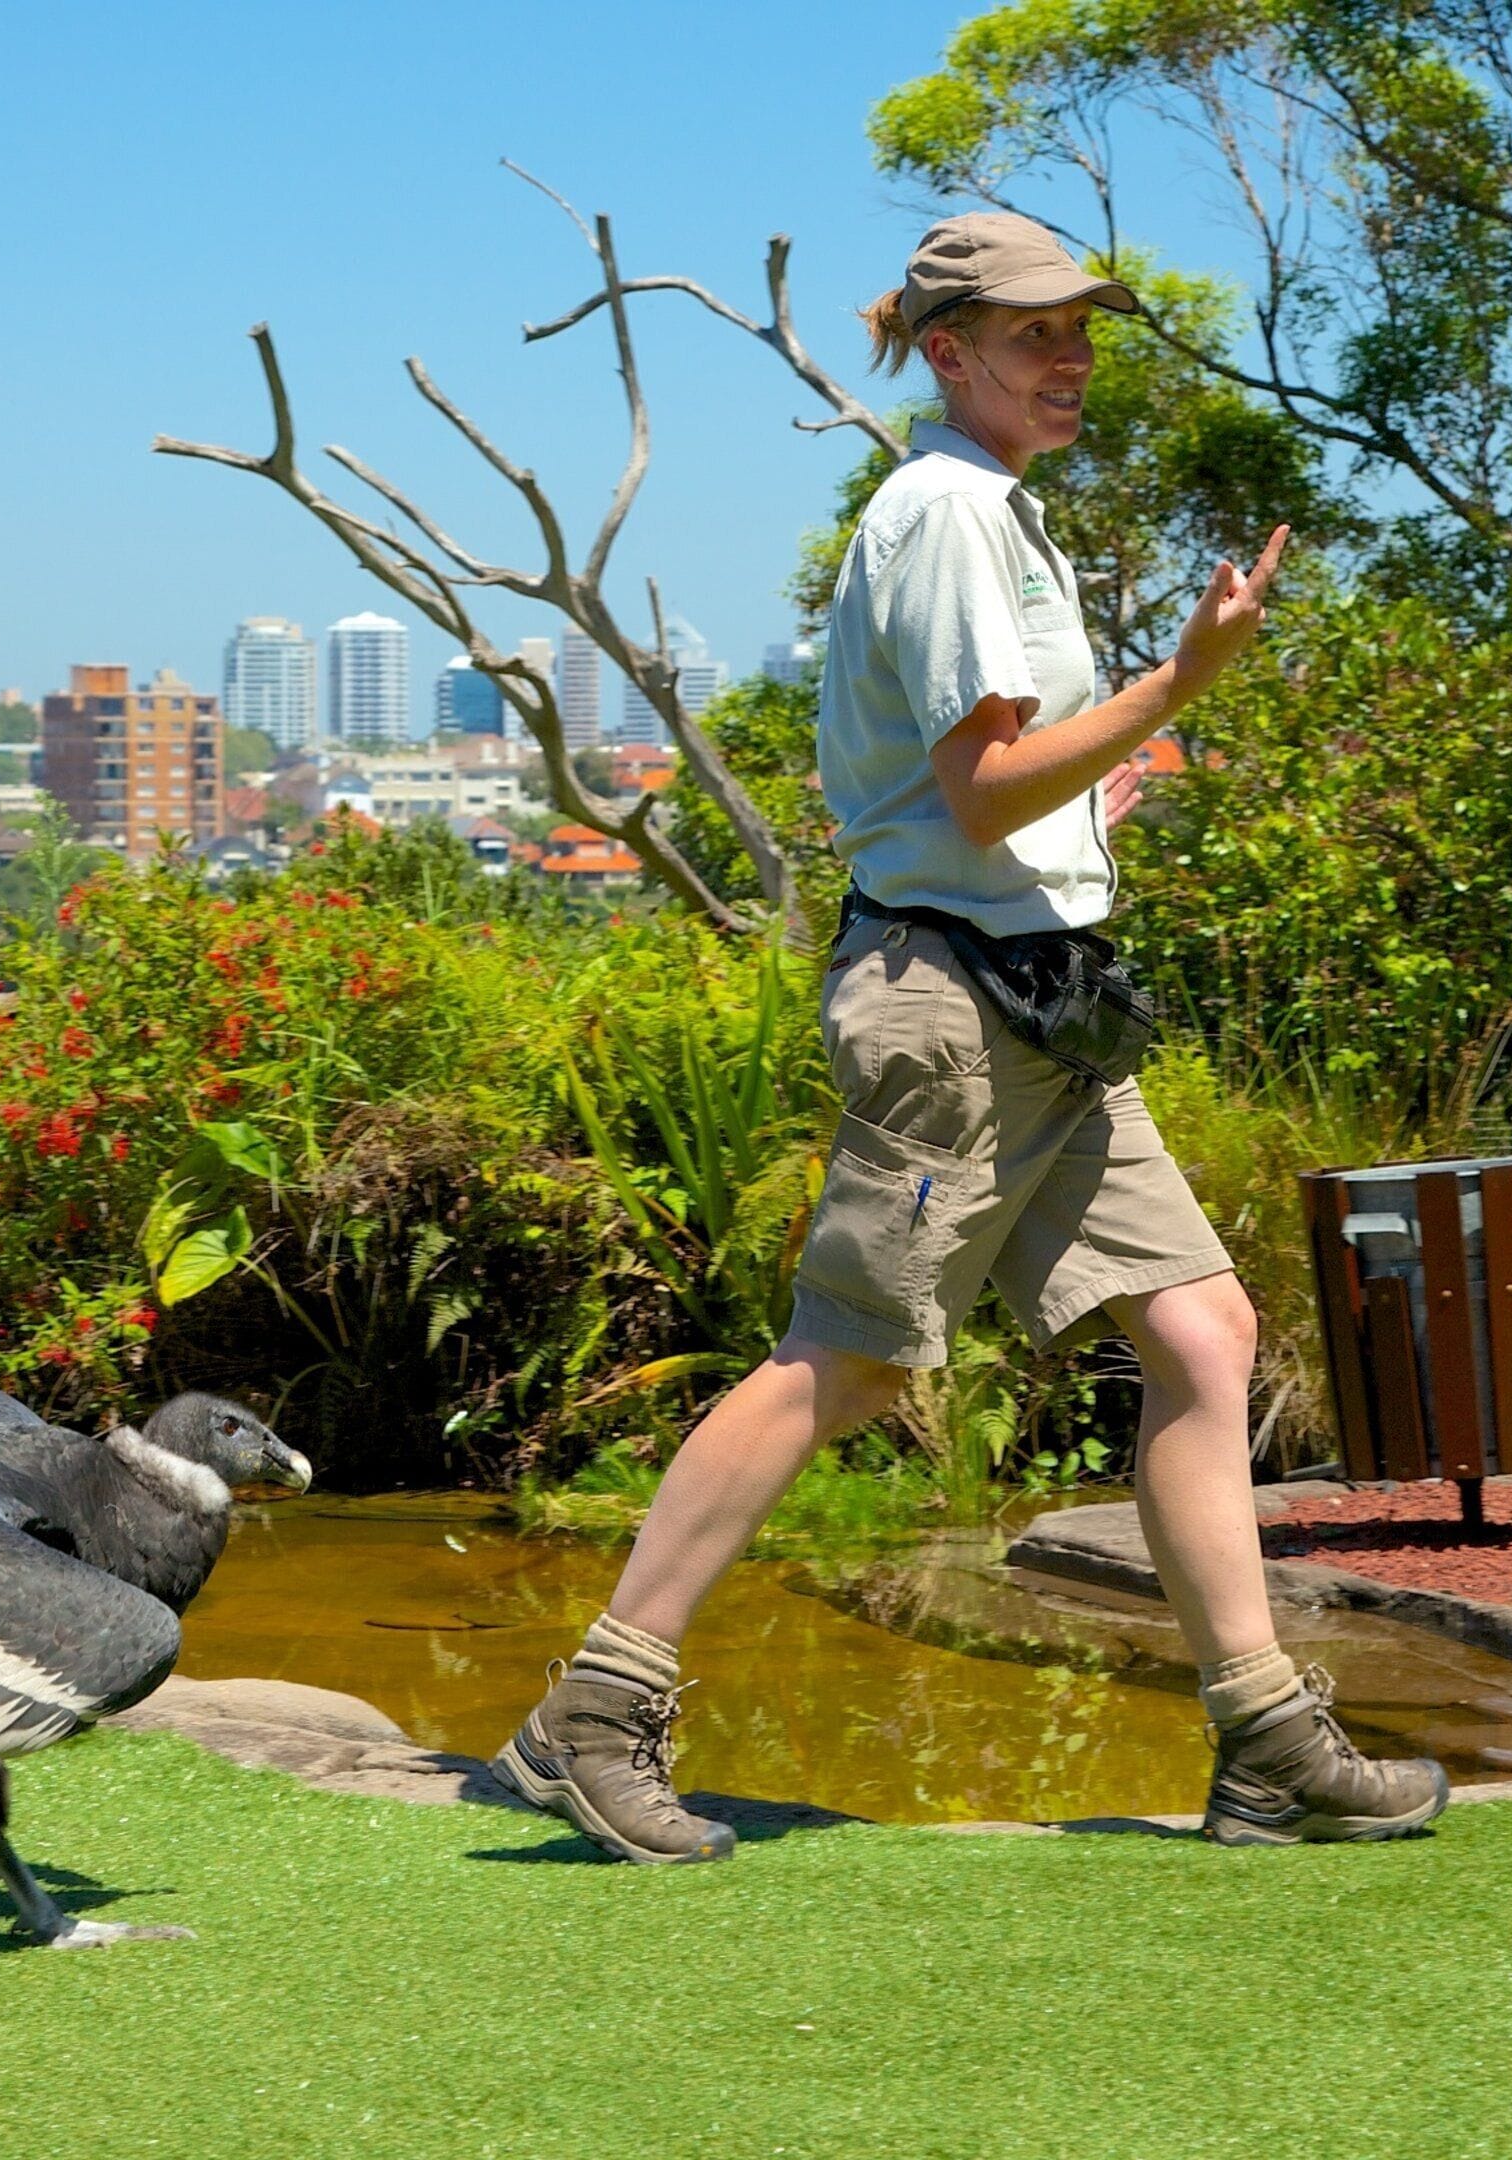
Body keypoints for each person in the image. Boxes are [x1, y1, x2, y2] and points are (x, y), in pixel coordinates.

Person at [491, 212, 1448, 1861]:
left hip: (1043, 1000)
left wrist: (1097, 798)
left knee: (1203, 1334)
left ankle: (1268, 1742)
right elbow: (981, 788)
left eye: (1080, 332)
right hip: (953, 1014)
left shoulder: (995, 508)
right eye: (1032, 335)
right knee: (850, 1361)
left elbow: (1002, 796)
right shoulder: (943, 513)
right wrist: (1179, 683)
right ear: (948, 352)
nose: (1070, 359)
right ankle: (596, 1705)